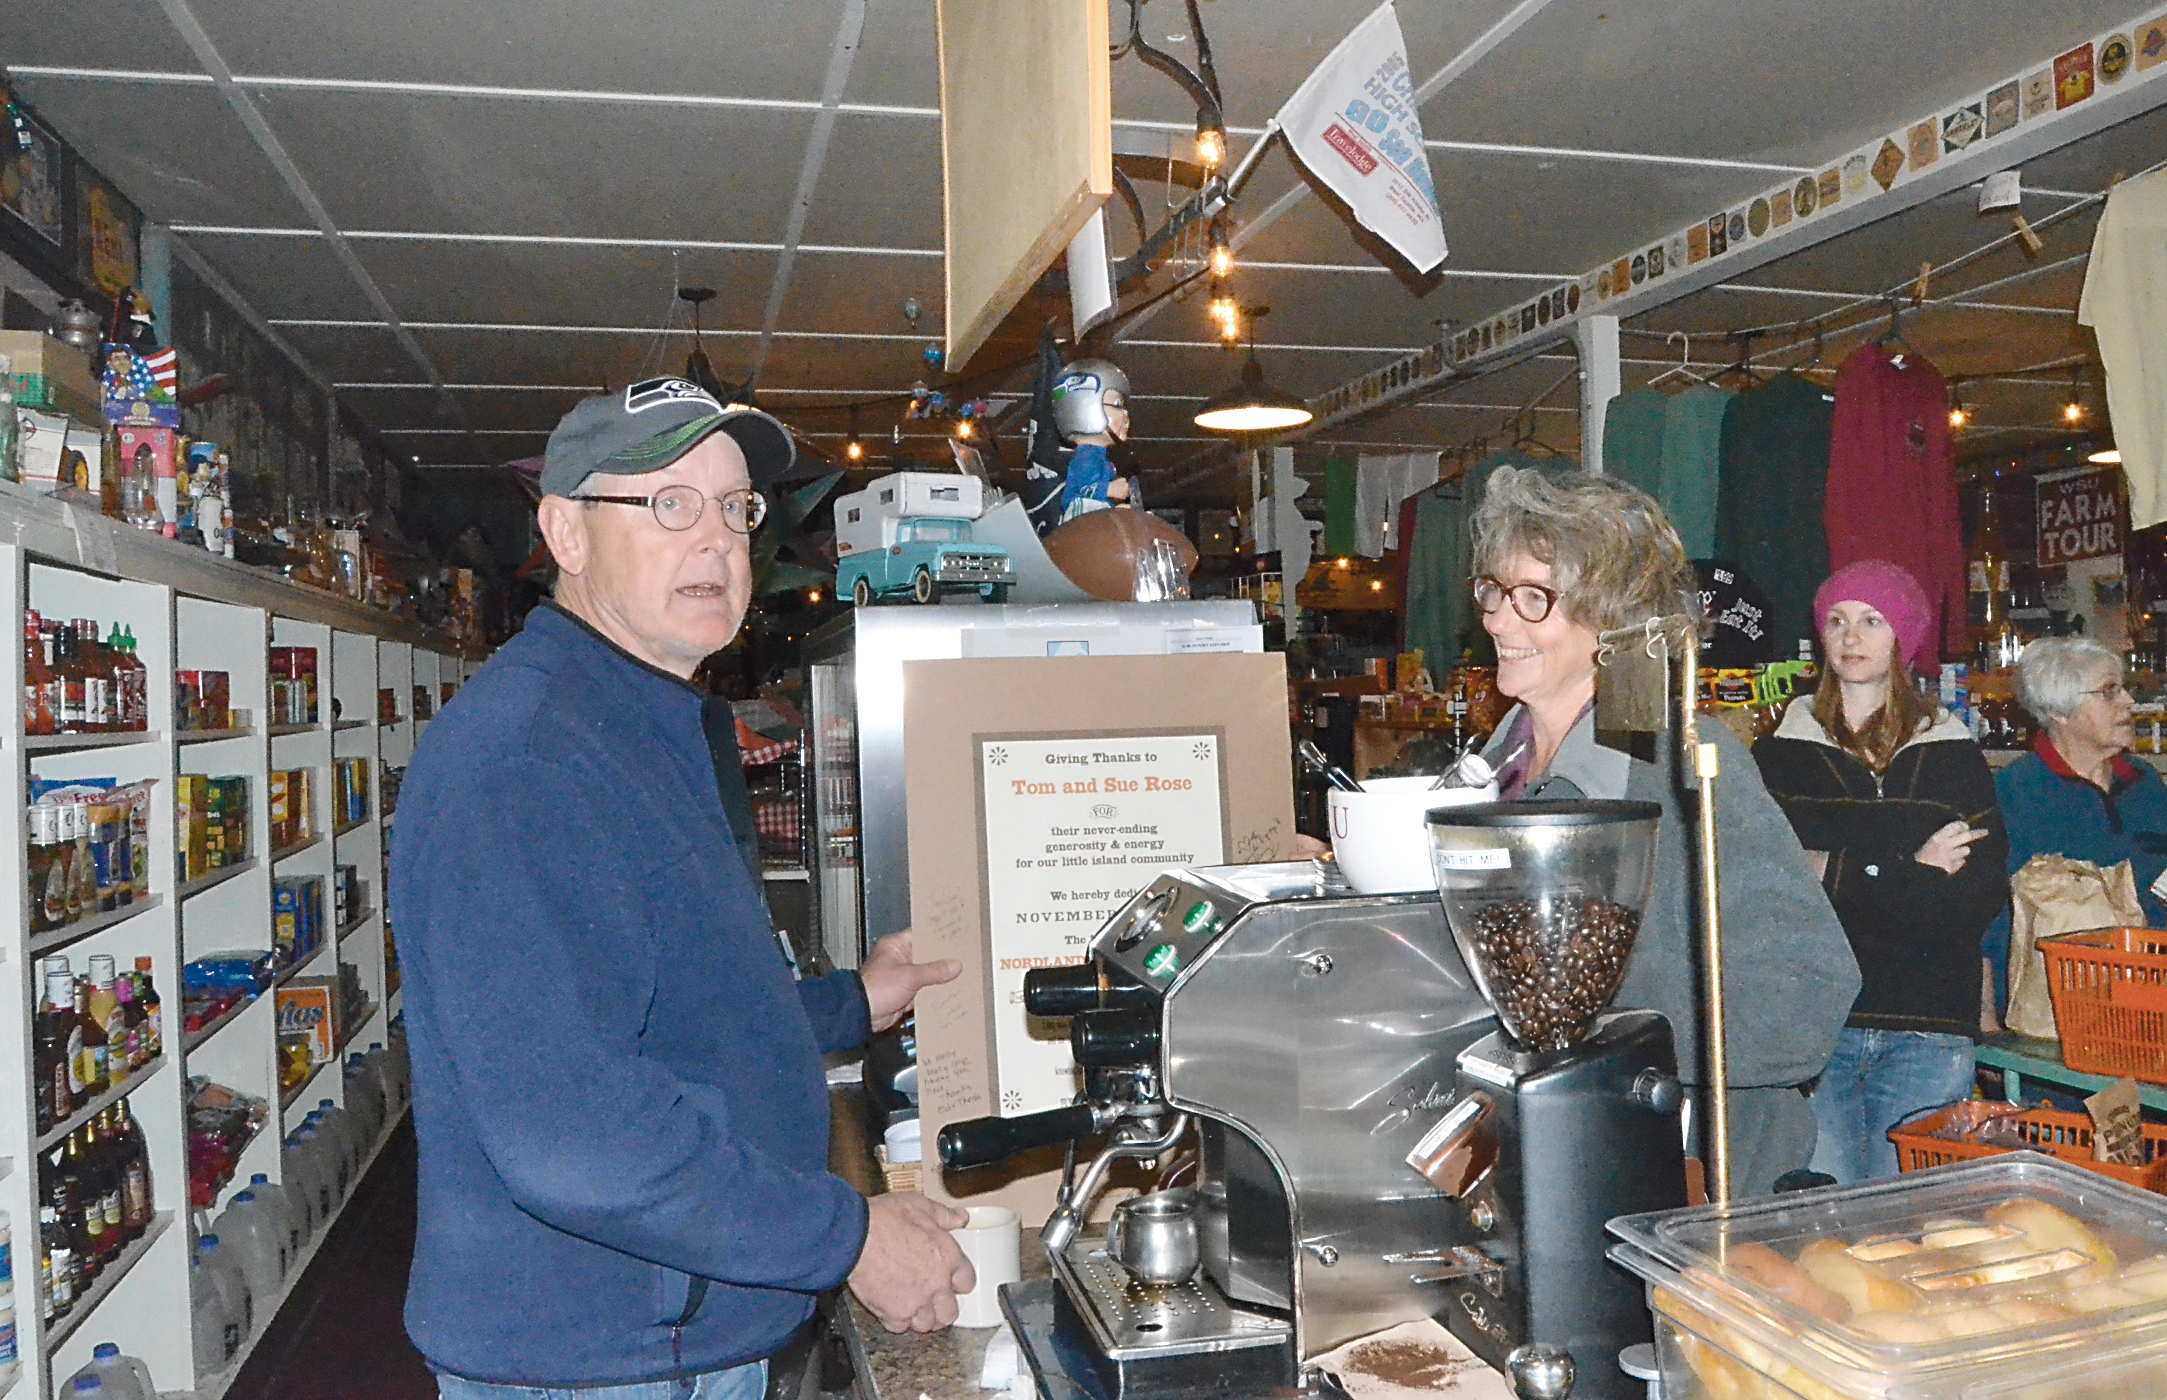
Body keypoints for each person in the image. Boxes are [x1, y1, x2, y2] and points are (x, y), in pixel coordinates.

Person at [390, 376, 976, 1400]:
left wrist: (850, 1001)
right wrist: (846, 1234)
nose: (715, 540)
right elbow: (575, 1134)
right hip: (599, 1360)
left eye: (734, 507)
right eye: (668, 504)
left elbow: (666, 1007)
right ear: (565, 532)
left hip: (662, 1329)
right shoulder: (527, 762)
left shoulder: (637, 719)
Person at [1469, 465, 1858, 1196]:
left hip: (1688, 1178)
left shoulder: (1679, 761)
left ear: (1610, 618)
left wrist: (1605, 1021)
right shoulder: (1495, 767)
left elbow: (1806, 994)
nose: (1497, 619)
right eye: (1493, 590)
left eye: (1532, 598)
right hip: (1555, 1148)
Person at [1752, 560, 2007, 1183]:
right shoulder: (1777, 756)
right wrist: (1912, 870)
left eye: (1872, 621)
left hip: (1928, 1029)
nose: (1850, 637)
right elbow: (1770, 888)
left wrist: (1832, 869)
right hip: (1816, 1026)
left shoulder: (1953, 756)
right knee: (1825, 1227)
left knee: (1910, 1231)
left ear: (1903, 637)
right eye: (1836, 621)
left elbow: (1974, 898)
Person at [1988, 636, 2167, 1010]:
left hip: (2153, 997)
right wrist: (1988, 1025)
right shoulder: (2014, 794)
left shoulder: (2144, 782)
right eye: (2108, 692)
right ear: (2060, 712)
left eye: (2124, 689)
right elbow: (1986, 921)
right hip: (2061, 1009)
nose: (2128, 702)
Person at [1050, 358, 1134, 520]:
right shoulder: (1088, 456)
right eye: (1117, 404)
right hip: (1081, 515)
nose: (1125, 415)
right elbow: (1086, 489)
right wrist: (1110, 489)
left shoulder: (1096, 456)